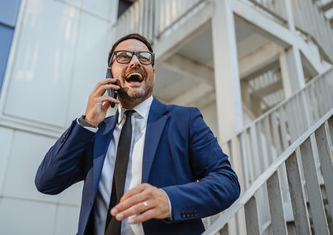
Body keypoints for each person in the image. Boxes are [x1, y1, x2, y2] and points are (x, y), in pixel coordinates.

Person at [35, 33, 240, 235]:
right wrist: (86, 123)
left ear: (153, 73)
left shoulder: (184, 120)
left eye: (144, 57)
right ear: (110, 74)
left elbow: (227, 182)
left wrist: (169, 200)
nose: (135, 62)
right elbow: (47, 182)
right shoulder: (94, 132)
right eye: (124, 57)